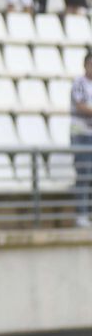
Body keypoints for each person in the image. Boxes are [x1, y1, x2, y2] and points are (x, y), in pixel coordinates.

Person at [70, 52, 92, 227]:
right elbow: (80, 106)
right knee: (83, 173)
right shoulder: (79, 83)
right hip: (81, 134)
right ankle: (82, 214)